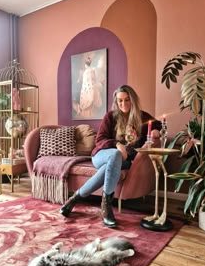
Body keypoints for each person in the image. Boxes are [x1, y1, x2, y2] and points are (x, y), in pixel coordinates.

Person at [60, 85, 162, 228]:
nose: (123, 104)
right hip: (102, 155)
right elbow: (99, 140)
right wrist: (117, 144)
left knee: (112, 164)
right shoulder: (111, 116)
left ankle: (75, 199)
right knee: (115, 154)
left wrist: (156, 130)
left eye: (127, 100)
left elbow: (157, 123)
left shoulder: (141, 117)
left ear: (132, 100)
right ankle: (106, 208)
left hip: (124, 160)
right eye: (120, 101)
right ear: (116, 101)